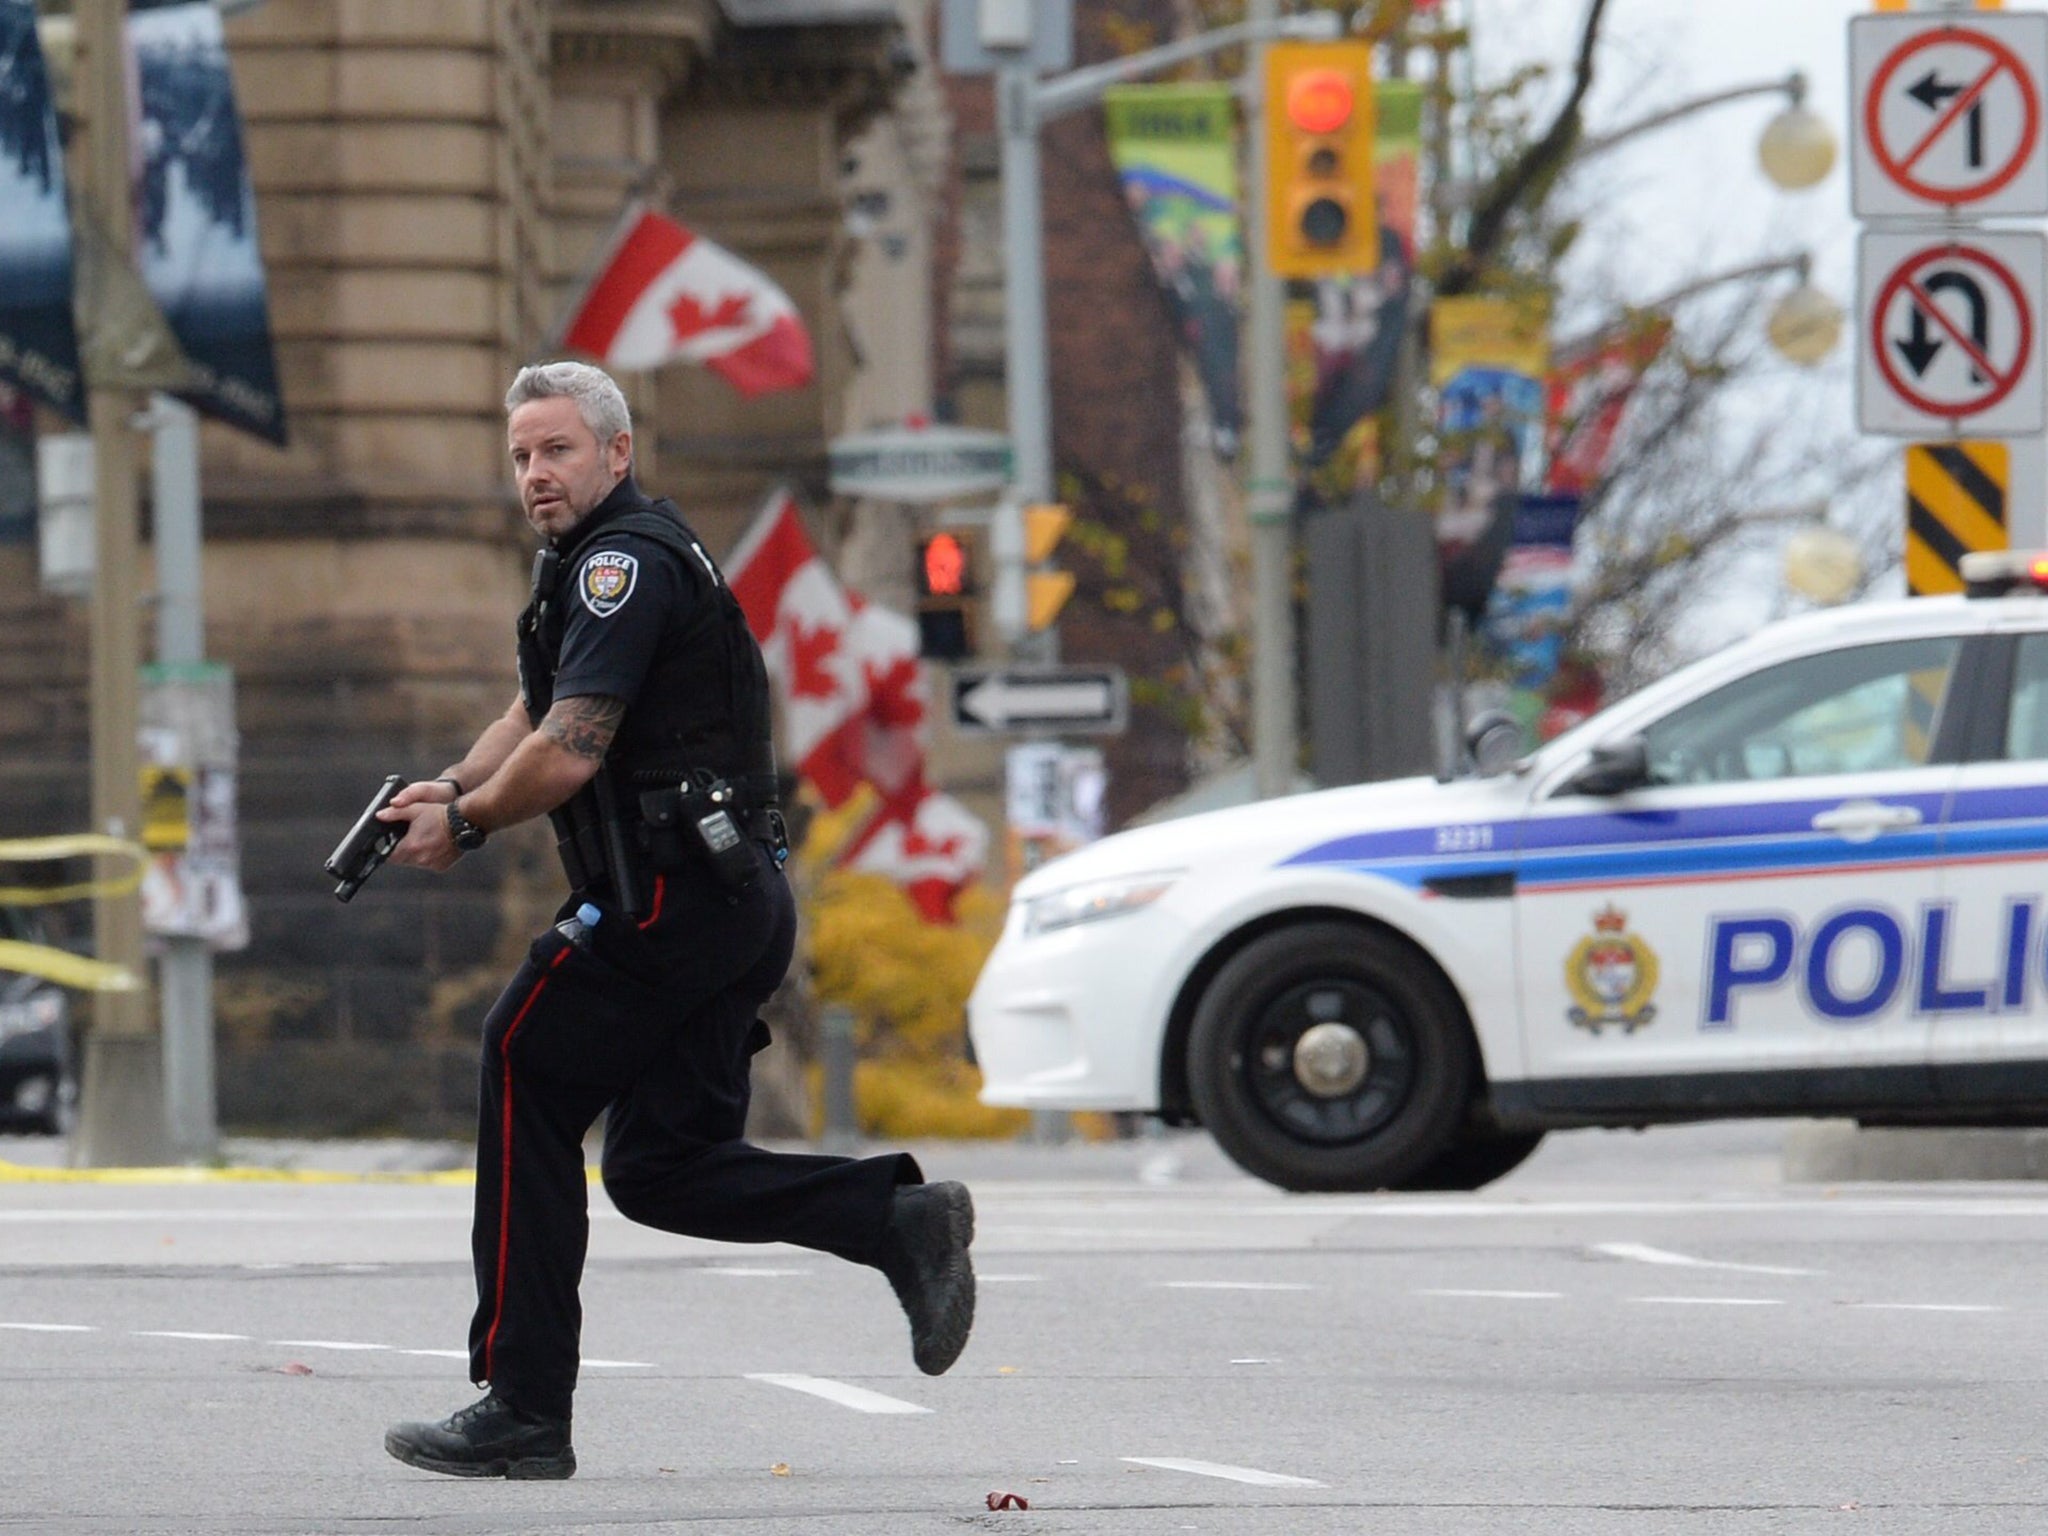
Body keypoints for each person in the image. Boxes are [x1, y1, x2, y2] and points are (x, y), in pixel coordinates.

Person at [375, 361, 975, 1481]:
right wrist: (447, 788)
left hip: (665, 902)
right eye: (518, 457)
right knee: (661, 1168)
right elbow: (529, 712)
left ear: (616, 451)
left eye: (555, 450)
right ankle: (896, 1221)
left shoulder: (620, 566)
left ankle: (521, 1407)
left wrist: (468, 825)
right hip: (720, 903)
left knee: (522, 1060)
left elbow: (569, 746)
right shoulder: (587, 569)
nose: (535, 474)